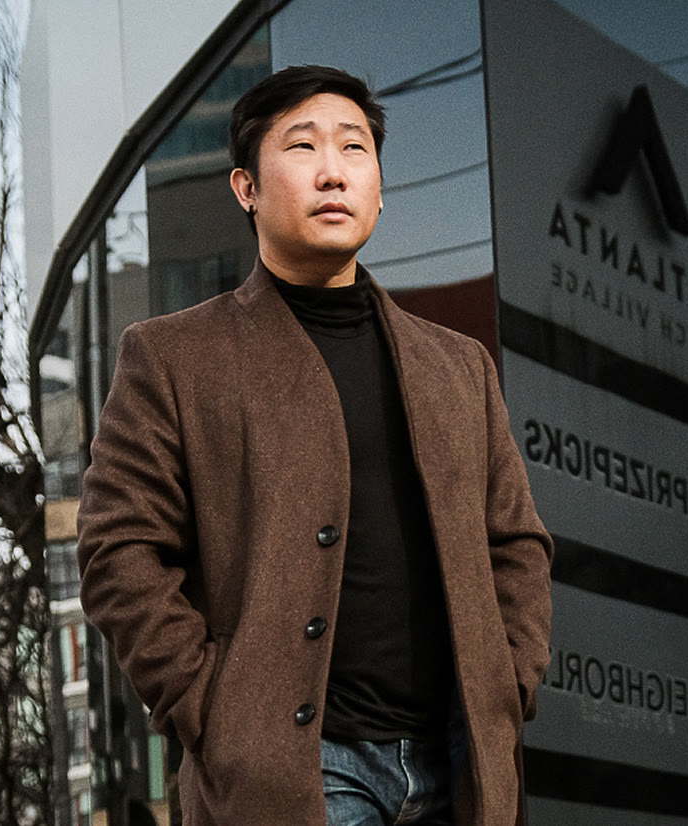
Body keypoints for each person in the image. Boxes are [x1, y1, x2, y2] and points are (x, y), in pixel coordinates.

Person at [77, 65, 553, 826]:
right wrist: (213, 710)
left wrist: (509, 680)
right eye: (302, 146)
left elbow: (516, 542)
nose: (333, 171)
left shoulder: (458, 366)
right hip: (297, 773)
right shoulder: (173, 356)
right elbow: (119, 551)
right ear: (246, 188)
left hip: (457, 764)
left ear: (380, 189)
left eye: (354, 148)